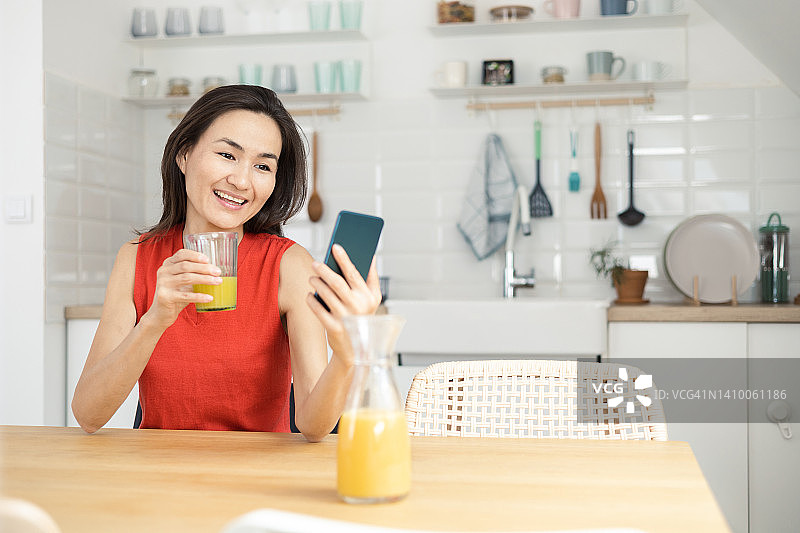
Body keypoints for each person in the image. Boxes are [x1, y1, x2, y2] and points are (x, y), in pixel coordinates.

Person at [71, 85, 381, 442]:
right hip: (156, 477)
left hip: (254, 478)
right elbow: (88, 414)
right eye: (227, 155)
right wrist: (155, 320)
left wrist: (346, 354)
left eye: (263, 165)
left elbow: (313, 426)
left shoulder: (288, 265)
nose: (241, 180)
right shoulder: (137, 257)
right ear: (184, 155)